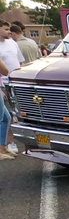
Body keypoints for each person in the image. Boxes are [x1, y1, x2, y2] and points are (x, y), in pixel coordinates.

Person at [0, 20, 25, 157]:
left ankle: (3, 147)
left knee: (9, 116)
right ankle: (8, 144)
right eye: (5, 29)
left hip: (16, 82)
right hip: (3, 85)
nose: (9, 31)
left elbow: (21, 62)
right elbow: (4, 71)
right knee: (4, 117)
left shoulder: (13, 43)